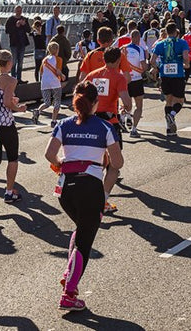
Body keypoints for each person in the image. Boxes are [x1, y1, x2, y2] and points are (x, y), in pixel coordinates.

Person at [44, 82, 124, 311]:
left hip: (66, 189)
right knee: (85, 242)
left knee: (81, 228)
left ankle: (70, 273)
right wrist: (105, 188)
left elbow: (49, 154)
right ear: (96, 103)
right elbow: (117, 164)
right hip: (91, 188)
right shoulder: (105, 127)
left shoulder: (63, 124)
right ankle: (69, 293)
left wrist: (62, 165)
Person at [83, 47, 131, 214]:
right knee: (115, 164)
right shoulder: (118, 77)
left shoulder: (92, 75)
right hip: (109, 123)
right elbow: (127, 101)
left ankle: (88, 195)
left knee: (96, 161)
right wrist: (127, 107)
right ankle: (102, 200)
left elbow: (80, 94)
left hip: (91, 121)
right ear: (118, 60)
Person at [0, 50, 27, 202]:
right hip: (6, 124)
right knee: (12, 158)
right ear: (9, 63)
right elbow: (7, 102)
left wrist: (11, 100)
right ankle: (9, 192)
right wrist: (19, 108)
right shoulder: (10, 80)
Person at [152, 24, 190, 137]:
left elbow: (152, 60)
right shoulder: (182, 42)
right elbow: (186, 57)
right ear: (176, 32)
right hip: (177, 74)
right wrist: (186, 64)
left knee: (168, 100)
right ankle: (172, 115)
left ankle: (169, 129)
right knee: (179, 101)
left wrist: (157, 68)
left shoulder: (160, 44)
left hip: (165, 74)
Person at [35, 42, 67, 128]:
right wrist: (62, 76)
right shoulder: (59, 59)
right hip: (55, 82)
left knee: (47, 102)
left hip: (44, 83)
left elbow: (41, 72)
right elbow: (58, 71)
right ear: (57, 50)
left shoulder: (44, 60)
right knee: (57, 101)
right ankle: (53, 121)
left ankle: (38, 111)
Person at [5, 5, 31, 81]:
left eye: (20, 10)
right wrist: (16, 26)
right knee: (13, 62)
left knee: (20, 62)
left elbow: (29, 30)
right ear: (15, 11)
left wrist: (24, 25)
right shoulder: (10, 19)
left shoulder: (24, 19)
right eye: (18, 10)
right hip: (14, 44)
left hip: (22, 43)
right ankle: (13, 78)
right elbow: (7, 31)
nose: (19, 12)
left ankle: (19, 79)